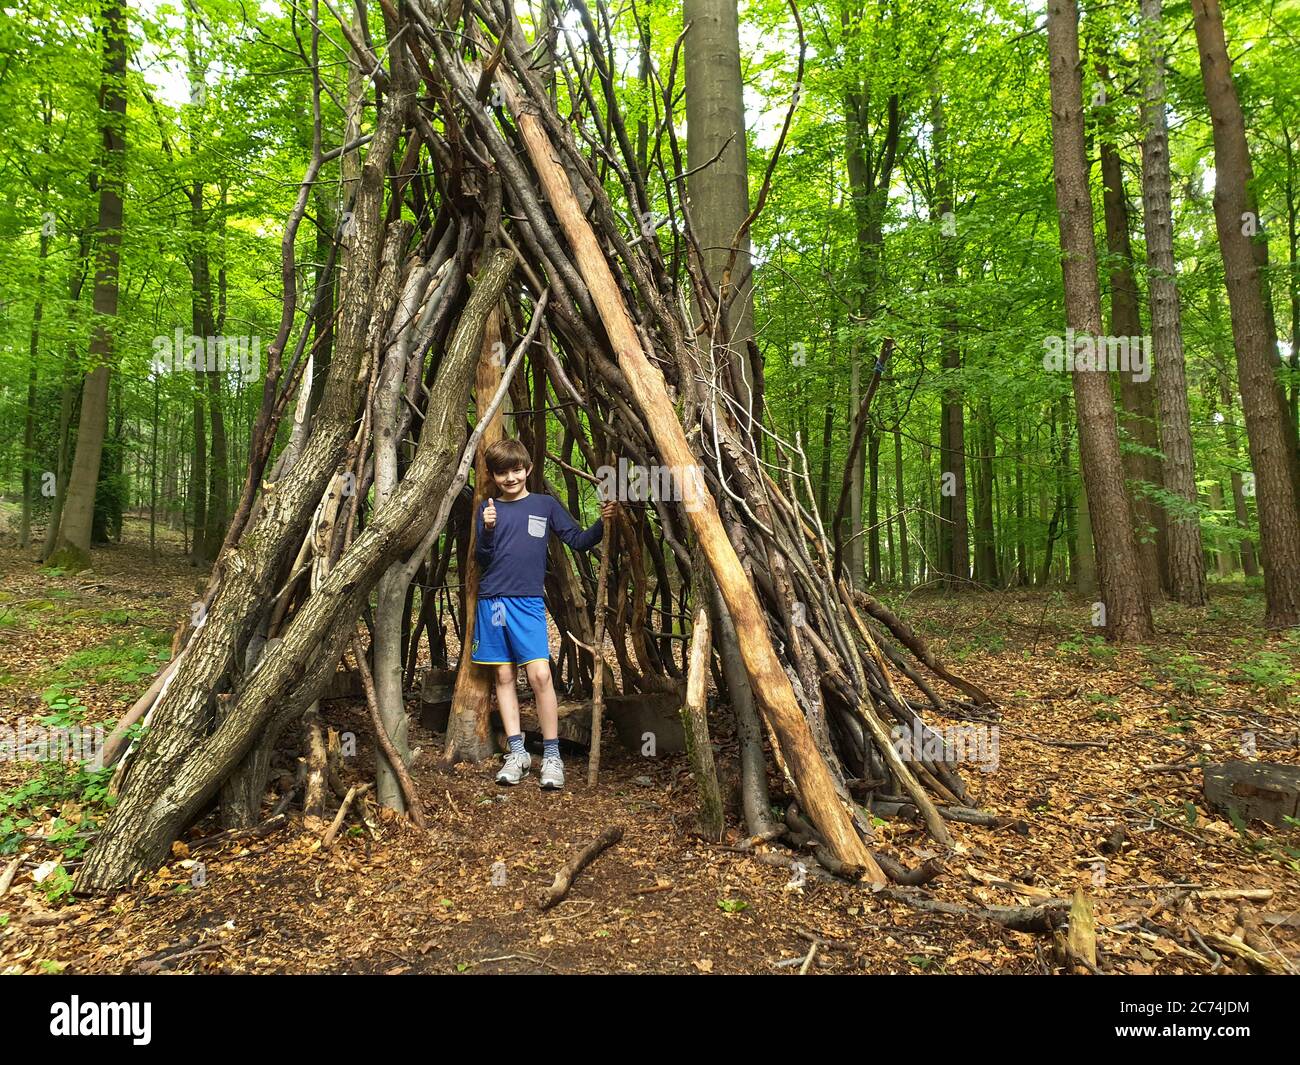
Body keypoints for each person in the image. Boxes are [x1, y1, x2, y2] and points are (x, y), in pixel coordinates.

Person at [472, 438, 615, 790]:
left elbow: (578, 541)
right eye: (502, 472)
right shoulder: (487, 509)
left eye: (516, 470)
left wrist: (603, 522)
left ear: (528, 470)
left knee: (540, 676)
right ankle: (517, 753)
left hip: (528, 603)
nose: (510, 478)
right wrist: (487, 529)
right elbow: (483, 560)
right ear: (492, 475)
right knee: (504, 678)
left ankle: (552, 757)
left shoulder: (544, 505)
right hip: (493, 602)